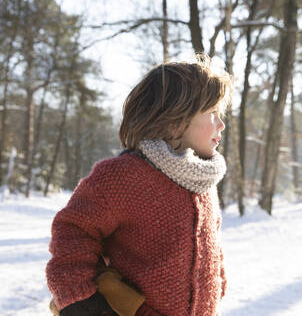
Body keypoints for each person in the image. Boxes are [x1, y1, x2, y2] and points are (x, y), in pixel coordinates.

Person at [46, 55, 232, 316]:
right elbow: (73, 229)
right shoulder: (123, 176)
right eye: (212, 114)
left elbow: (210, 241)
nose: (221, 124)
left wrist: (217, 280)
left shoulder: (203, 180)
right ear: (175, 120)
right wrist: (80, 300)